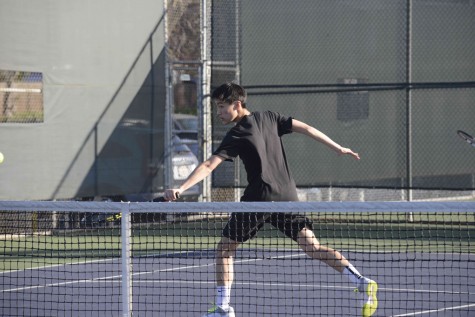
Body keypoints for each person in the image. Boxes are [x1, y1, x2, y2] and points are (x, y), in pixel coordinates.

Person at [164, 82, 378, 317]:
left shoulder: (236, 133)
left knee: (225, 249)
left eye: (222, 107)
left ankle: (223, 308)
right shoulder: (270, 117)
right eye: (217, 107)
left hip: (260, 199)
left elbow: (208, 165)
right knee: (313, 247)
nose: (219, 112)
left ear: (237, 104)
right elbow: (306, 128)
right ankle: (361, 280)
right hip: (288, 196)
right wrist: (338, 147)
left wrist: (181, 188)